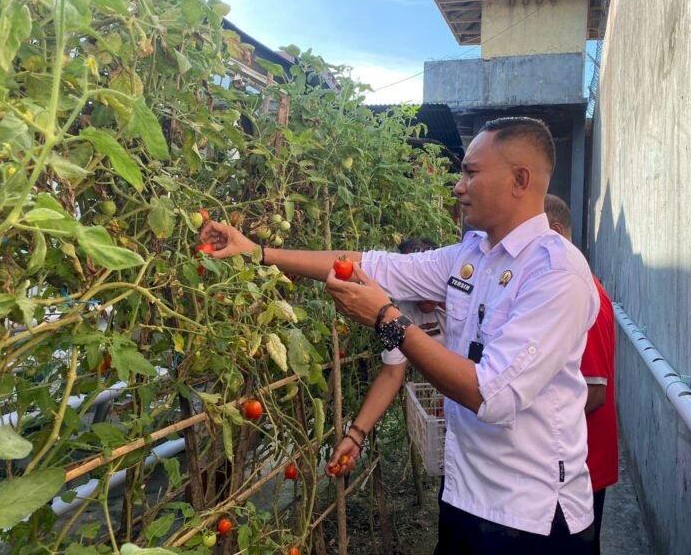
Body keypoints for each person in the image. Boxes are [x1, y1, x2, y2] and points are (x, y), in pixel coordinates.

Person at [199, 117, 599, 554]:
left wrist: (388, 319)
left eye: (471, 172)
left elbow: (493, 396)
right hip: (467, 494)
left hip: (531, 517)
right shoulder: (472, 255)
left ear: (519, 179)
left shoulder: (556, 273)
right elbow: (372, 264)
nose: (458, 187)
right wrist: (258, 252)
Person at [328, 238, 447, 468]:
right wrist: (356, 434)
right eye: (414, 286)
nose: (422, 295)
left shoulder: (466, 298)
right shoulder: (402, 310)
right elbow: (392, 373)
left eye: (427, 282)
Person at [544, 194, 618, 555]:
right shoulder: (566, 290)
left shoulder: (586, 297)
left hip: (580, 468)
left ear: (555, 232)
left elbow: (593, 391)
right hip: (567, 464)